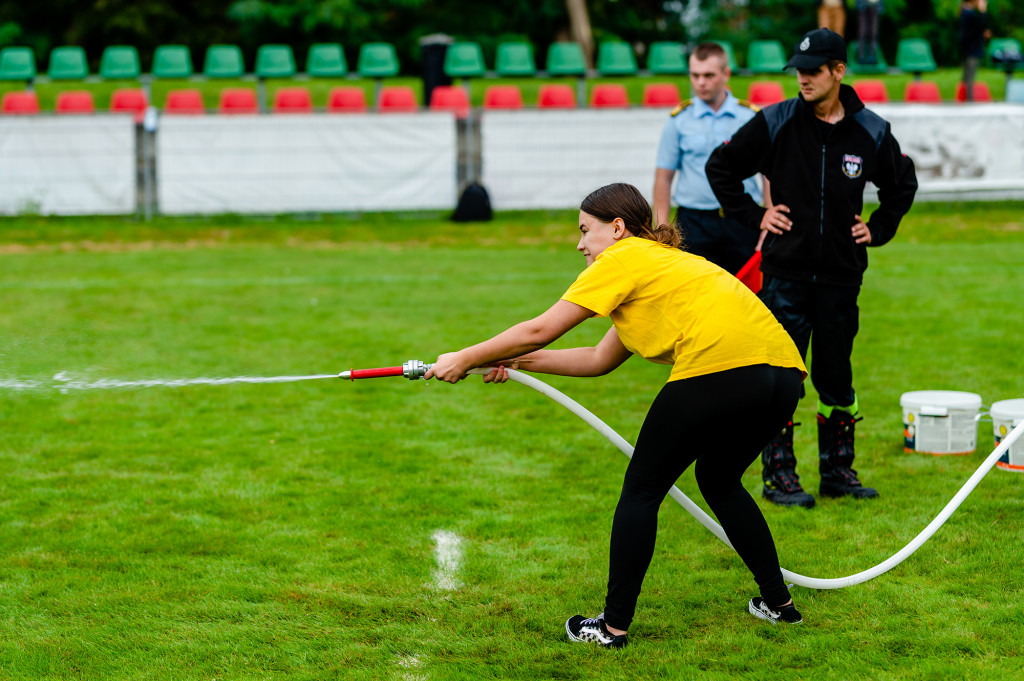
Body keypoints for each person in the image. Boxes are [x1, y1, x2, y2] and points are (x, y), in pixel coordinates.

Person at [426, 183, 809, 647]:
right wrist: (513, 360)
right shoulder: (665, 266)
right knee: (718, 478)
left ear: (618, 229)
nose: (580, 243)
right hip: (783, 373)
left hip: (719, 366)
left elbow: (541, 328)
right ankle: (779, 604)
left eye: (586, 231)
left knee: (642, 489)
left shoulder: (621, 259)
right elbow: (597, 359)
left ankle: (612, 628)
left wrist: (466, 355)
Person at [706, 28, 918, 509]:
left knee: (836, 376)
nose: (802, 78)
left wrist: (879, 227)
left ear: (839, 72)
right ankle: (779, 475)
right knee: (781, 376)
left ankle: (838, 471)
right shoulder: (776, 121)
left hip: (843, 277)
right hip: (786, 275)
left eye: (813, 70)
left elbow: (902, 185)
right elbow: (721, 167)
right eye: (798, 71)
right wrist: (755, 214)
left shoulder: (872, 131)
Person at [653, 42, 765, 275]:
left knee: (747, 297)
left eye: (708, 75)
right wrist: (661, 229)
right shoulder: (678, 119)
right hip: (693, 223)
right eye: (695, 75)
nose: (700, 82)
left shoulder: (750, 117)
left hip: (742, 221)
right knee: (694, 298)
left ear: (726, 74)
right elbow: (663, 177)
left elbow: (769, 173)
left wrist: (768, 223)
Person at [960, 0, 991, 102]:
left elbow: (973, 29)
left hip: (967, 49)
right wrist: (983, 10)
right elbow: (980, 24)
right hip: (972, 49)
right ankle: (969, 101)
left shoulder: (964, 12)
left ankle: (965, 99)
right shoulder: (969, 13)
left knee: (966, 76)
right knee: (970, 77)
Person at [855, 0, 883, 64]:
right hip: (862, 6)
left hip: (875, 7)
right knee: (862, 33)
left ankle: (872, 56)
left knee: (874, 33)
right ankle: (861, 57)